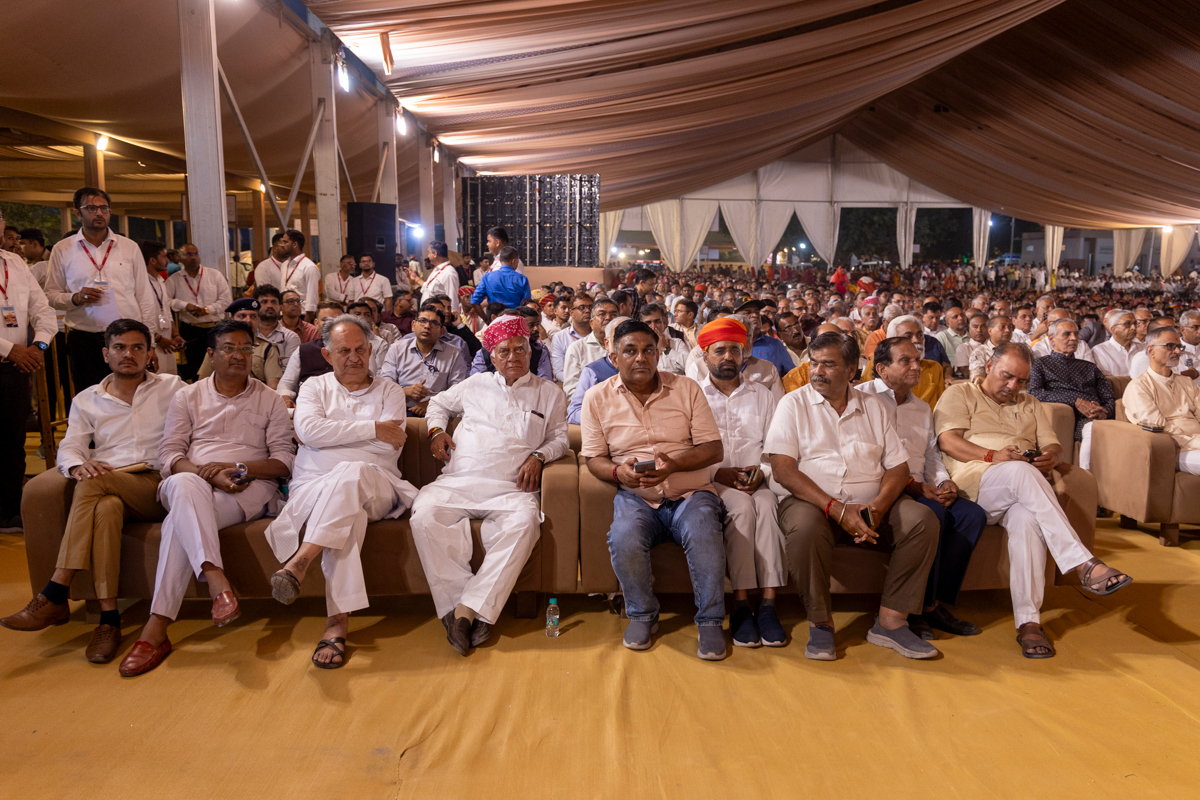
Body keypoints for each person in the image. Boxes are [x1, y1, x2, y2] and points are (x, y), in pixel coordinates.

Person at [0, 320, 183, 662]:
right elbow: (71, 446)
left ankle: (55, 591)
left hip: (158, 485)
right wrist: (75, 465)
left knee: (94, 481)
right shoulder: (87, 399)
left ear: (149, 353)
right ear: (105, 353)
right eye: (119, 347)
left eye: (137, 347)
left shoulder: (173, 388)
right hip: (111, 487)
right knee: (106, 507)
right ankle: (108, 619)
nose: (128, 354)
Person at [119, 320, 294, 677]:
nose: (239, 356)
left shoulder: (270, 399)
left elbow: (284, 461)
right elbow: (169, 453)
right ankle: (215, 577)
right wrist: (208, 473)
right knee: (185, 485)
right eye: (229, 348)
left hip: (246, 485)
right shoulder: (188, 395)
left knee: (178, 522)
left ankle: (156, 627)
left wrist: (237, 468)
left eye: (246, 349)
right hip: (193, 478)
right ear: (211, 355)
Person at [934, 342, 1132, 659]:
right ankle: (1083, 563)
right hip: (975, 484)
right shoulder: (960, 394)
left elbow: (1054, 446)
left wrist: (1049, 459)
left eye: (1021, 381)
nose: (1013, 387)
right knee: (1019, 472)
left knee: (1027, 521)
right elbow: (948, 441)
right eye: (1007, 377)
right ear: (988, 368)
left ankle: (1029, 624)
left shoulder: (1029, 403)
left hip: (1023, 487)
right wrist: (992, 455)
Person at [766, 332, 940, 661]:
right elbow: (783, 470)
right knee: (804, 528)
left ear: (851, 370)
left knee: (922, 520)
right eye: (813, 363)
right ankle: (819, 623)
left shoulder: (873, 406)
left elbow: (899, 468)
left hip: (872, 501)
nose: (816, 371)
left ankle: (891, 621)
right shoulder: (793, 404)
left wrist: (878, 507)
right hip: (813, 502)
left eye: (827, 364)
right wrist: (835, 508)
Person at [265, 315, 418, 668]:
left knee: (352, 473)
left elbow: (387, 449)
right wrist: (371, 430)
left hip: (380, 487)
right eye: (343, 351)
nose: (353, 357)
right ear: (327, 354)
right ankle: (336, 624)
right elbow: (309, 431)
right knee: (349, 510)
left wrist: (332, 439)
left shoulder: (389, 391)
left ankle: (300, 561)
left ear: (370, 350)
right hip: (314, 489)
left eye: (360, 349)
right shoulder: (313, 388)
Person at [410, 315, 567, 655]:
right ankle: (468, 608)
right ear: (492, 356)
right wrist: (436, 431)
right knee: (423, 515)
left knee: (526, 523)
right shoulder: (475, 384)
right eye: (505, 351)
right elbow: (438, 403)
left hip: (511, 489)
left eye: (520, 349)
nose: (514, 356)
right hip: (458, 480)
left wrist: (539, 456)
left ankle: (464, 613)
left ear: (531, 352)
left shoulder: (549, 393)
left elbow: (560, 439)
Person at [581, 319, 728, 661]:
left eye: (649, 350)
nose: (640, 358)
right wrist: (619, 473)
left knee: (705, 530)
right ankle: (642, 614)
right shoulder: (597, 398)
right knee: (623, 536)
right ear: (613, 355)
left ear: (660, 353)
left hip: (690, 492)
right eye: (630, 351)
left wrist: (674, 465)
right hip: (637, 496)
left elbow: (713, 449)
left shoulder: (687, 388)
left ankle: (709, 621)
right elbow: (593, 459)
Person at [860, 336, 986, 640]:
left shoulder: (920, 408)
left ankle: (933, 605)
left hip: (922, 485)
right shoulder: (862, 399)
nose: (917, 366)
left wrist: (943, 482)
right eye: (906, 360)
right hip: (886, 487)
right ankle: (913, 608)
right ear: (882, 368)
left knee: (973, 515)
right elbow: (865, 458)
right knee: (935, 516)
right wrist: (912, 485)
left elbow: (930, 455)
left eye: (918, 359)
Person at [696, 317, 788, 649]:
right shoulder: (694, 395)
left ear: (743, 353)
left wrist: (762, 470)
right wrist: (716, 472)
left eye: (734, 350)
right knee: (742, 510)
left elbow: (778, 443)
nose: (727, 358)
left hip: (758, 481)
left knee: (767, 507)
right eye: (719, 351)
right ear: (705, 355)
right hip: (714, 481)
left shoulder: (762, 395)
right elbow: (688, 448)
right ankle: (740, 604)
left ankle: (767, 604)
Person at [45, 187, 159, 391]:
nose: (99, 213)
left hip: (127, 338)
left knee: (131, 395)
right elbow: (51, 295)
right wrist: (75, 298)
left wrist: (149, 342)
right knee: (90, 398)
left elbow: (144, 296)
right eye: (91, 208)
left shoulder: (129, 247)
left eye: (104, 208)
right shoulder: (62, 249)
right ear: (77, 213)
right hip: (85, 339)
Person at [0, 233, 59, 531]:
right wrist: (12, 350)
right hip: (12, 356)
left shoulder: (15, 264)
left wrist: (39, 346)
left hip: (16, 369)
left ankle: (9, 511)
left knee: (13, 441)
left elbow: (44, 311)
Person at [1028, 318, 1114, 470]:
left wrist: (1104, 412)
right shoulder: (1041, 364)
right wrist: (1075, 401)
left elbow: (1108, 397)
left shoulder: (1090, 367)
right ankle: (1086, 476)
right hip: (1074, 418)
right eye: (1067, 334)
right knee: (1092, 427)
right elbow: (1035, 393)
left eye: (1076, 334)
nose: (1074, 338)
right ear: (1051, 339)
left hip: (1099, 417)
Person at [1123, 327, 1200, 474]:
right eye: (1170, 346)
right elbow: (1160, 429)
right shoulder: (1139, 387)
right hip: (1176, 449)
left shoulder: (1187, 382)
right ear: (1151, 351)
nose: (1177, 352)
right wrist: (1196, 441)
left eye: (1179, 347)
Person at [379, 301, 468, 416]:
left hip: (439, 410)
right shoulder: (396, 349)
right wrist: (404, 391)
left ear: (441, 331)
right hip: (400, 408)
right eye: (423, 321)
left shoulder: (454, 353)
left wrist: (432, 403)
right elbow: (385, 385)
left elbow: (457, 390)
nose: (427, 326)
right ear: (413, 325)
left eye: (434, 323)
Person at [160, 242, 232, 382]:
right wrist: (185, 306)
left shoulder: (214, 275)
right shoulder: (175, 279)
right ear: (180, 258)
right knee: (193, 369)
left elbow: (226, 300)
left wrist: (206, 310)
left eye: (196, 254)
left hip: (215, 328)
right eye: (188, 254)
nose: (193, 257)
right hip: (190, 330)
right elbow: (165, 301)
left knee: (218, 366)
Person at [194, 298, 285, 389]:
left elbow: (273, 387)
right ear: (231, 319)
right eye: (242, 316)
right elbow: (203, 383)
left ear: (258, 321)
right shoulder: (218, 346)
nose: (248, 320)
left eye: (253, 317)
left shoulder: (267, 348)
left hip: (255, 398)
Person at [567, 316, 626, 425]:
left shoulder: (645, 367)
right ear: (607, 344)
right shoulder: (593, 371)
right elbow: (574, 413)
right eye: (619, 338)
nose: (625, 343)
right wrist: (609, 417)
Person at [253, 230, 319, 322]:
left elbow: (312, 297)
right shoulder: (285, 265)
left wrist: (308, 319)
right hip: (284, 314)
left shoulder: (309, 266)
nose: (282, 245)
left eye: (285, 242)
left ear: (295, 245)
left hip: (302, 315)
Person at [563, 295, 618, 399]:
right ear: (591, 323)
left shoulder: (628, 347)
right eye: (602, 314)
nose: (608, 318)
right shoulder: (577, 349)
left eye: (613, 314)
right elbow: (572, 390)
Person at [139, 240, 181, 375]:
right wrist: (157, 339)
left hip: (167, 341)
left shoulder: (160, 280)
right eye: (163, 256)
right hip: (151, 342)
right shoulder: (140, 283)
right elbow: (138, 317)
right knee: (153, 382)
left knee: (170, 381)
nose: (167, 260)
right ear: (152, 260)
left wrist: (175, 334)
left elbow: (167, 311)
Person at [252, 284, 302, 367]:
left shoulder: (290, 337)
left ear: (280, 307)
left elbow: (289, 371)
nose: (269, 306)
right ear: (255, 306)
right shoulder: (249, 335)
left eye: (274, 302)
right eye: (264, 302)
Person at [407, 240, 461, 313]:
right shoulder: (437, 269)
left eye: (429, 252)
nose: (428, 255)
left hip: (438, 316)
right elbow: (428, 287)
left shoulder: (449, 273)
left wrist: (452, 317)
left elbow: (452, 298)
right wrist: (415, 278)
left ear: (435, 253)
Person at [551, 293, 594, 382]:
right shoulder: (560, 337)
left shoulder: (600, 334)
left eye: (590, 307)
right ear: (571, 313)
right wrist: (581, 385)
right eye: (582, 307)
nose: (587, 311)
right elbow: (559, 371)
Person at [640, 302, 688, 375]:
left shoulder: (677, 343)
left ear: (664, 322)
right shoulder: (637, 347)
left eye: (657, 321)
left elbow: (689, 366)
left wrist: (666, 349)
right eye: (648, 323)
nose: (653, 327)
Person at [1092, 309, 1143, 378]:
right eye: (1127, 324)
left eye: (1135, 324)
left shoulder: (1143, 348)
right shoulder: (1100, 351)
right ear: (1113, 329)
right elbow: (1108, 380)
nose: (1133, 328)